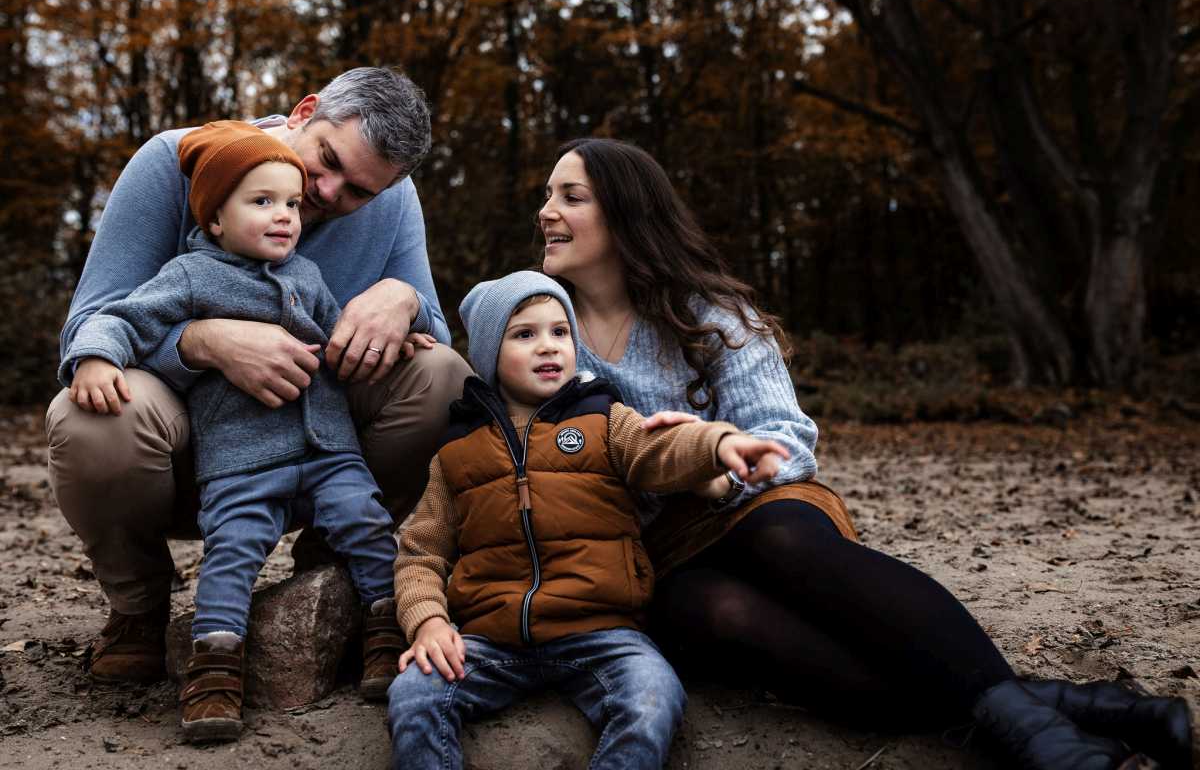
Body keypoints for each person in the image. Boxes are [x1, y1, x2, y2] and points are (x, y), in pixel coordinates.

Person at [534, 137, 1193, 770]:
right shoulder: (540, 330)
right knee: (712, 613)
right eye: (547, 195)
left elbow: (787, 441)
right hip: (656, 557)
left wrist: (726, 470)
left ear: (624, 214)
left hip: (753, 511)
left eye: (571, 196)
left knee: (781, 535)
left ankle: (1053, 746)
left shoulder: (704, 313)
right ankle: (1087, 710)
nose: (547, 211)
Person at [44, 67, 472, 686]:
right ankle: (137, 609)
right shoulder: (177, 161)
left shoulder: (392, 201)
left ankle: (336, 575)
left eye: (357, 191)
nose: (327, 193)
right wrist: (202, 341)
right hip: (187, 443)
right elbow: (88, 324)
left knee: (442, 376)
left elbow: (433, 327)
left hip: (321, 448)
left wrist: (402, 295)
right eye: (325, 160)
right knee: (92, 416)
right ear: (303, 111)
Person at [386, 271, 791, 770]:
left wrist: (720, 445)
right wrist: (427, 621)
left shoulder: (605, 419)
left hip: (604, 631)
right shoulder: (456, 451)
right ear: (490, 352)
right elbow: (420, 552)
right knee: (413, 695)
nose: (548, 347)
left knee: (653, 696)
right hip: (488, 638)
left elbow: (661, 448)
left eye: (560, 332)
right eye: (525, 335)